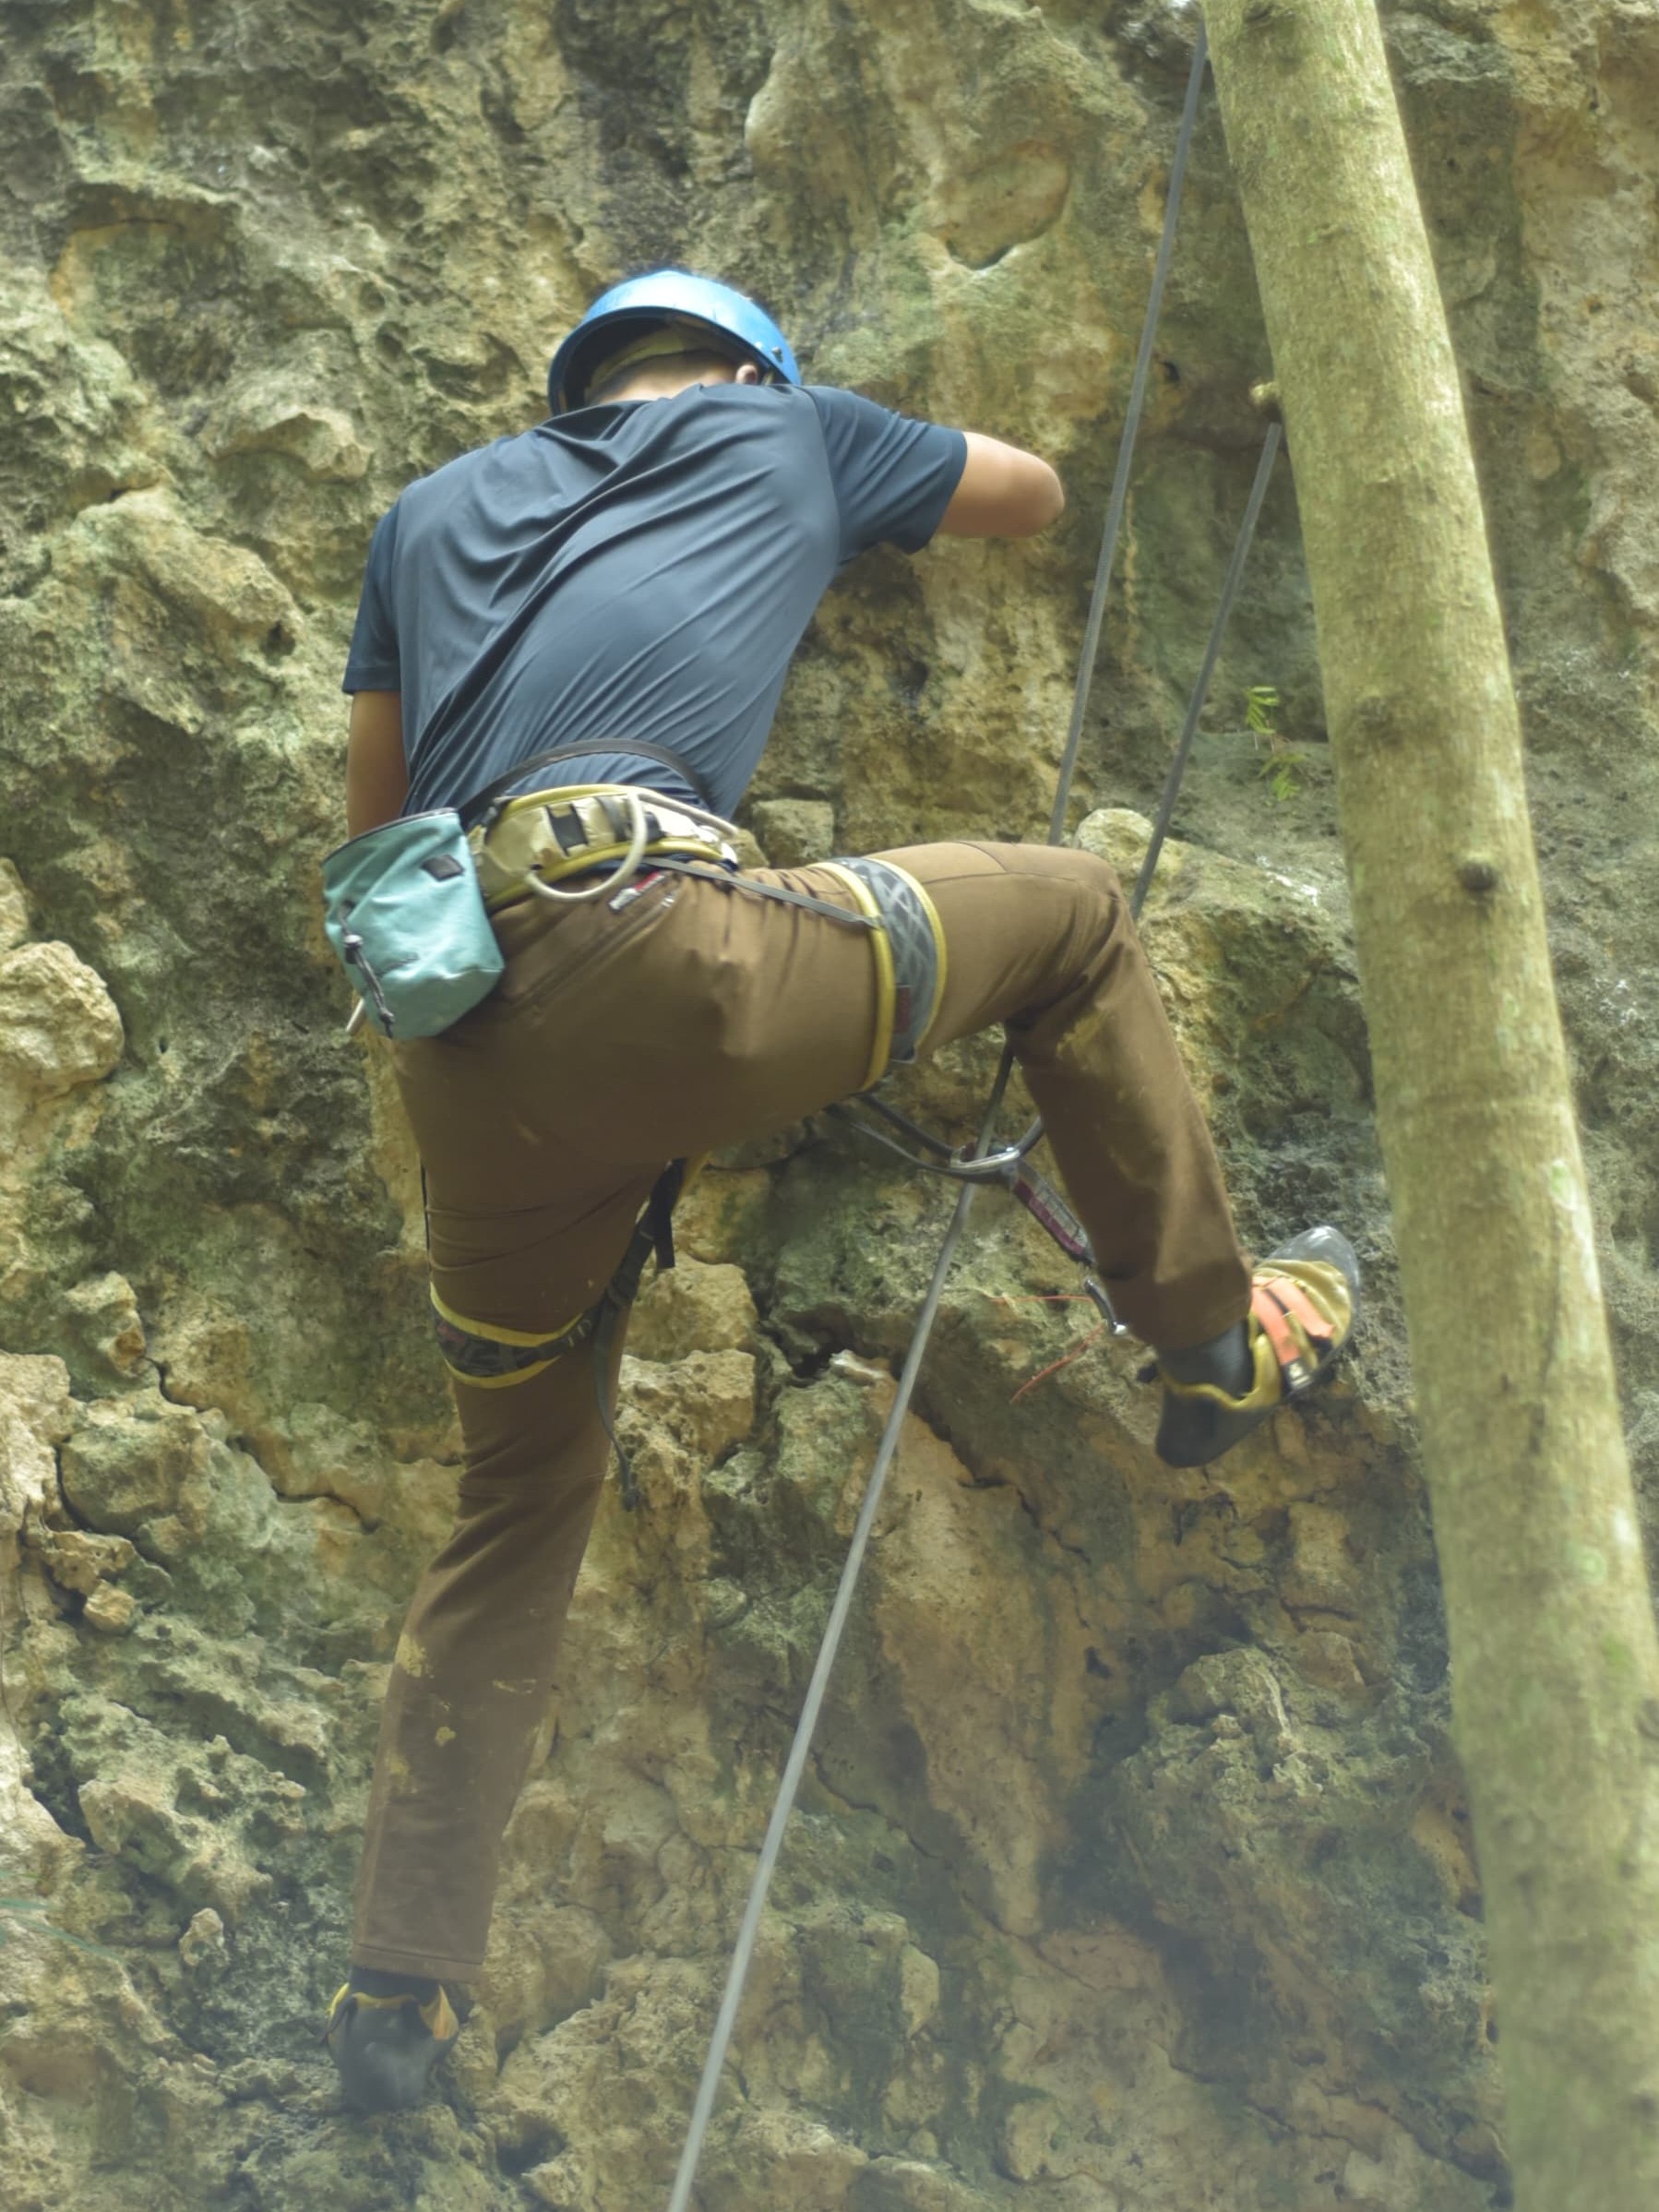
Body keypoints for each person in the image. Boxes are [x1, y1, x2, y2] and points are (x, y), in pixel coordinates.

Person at [321, 270, 1356, 2112]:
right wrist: (828, 467)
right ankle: (1213, 1340)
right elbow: (1025, 492)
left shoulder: (425, 515)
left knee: (517, 1496)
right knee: (1078, 916)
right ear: (735, 368)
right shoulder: (779, 420)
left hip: (464, 1057)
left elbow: (374, 809)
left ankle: (396, 1993)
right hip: (670, 944)